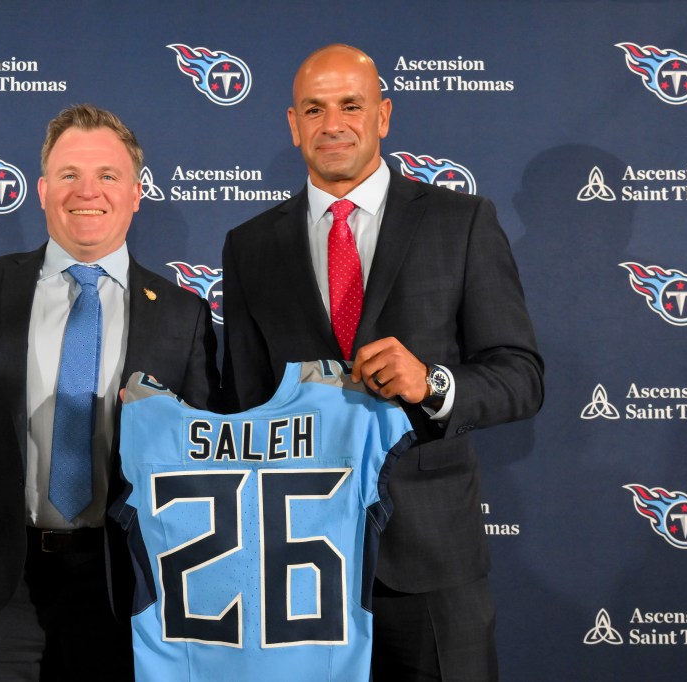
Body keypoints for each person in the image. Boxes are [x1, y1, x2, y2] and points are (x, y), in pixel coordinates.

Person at [221, 45, 544, 681]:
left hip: (431, 560)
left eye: (351, 105)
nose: (333, 124)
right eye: (314, 109)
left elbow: (520, 377)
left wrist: (433, 384)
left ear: (384, 115)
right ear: (293, 124)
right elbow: (244, 404)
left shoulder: (461, 223)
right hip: (298, 568)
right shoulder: (249, 245)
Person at [0, 104, 220, 681]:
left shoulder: (183, 314)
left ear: (136, 193)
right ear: (42, 191)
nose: (87, 191)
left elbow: (207, 459)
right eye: (69, 175)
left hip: (126, 585)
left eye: (108, 175)